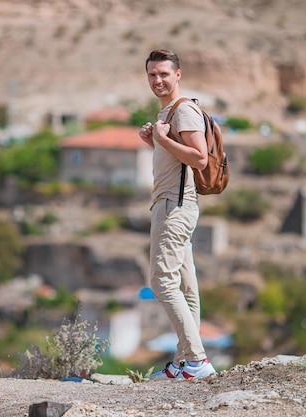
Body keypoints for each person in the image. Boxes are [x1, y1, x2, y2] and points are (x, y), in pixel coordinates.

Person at [138, 49, 216, 380]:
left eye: (164, 74)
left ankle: (196, 361)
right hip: (174, 205)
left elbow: (199, 159)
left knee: (161, 281)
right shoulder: (168, 112)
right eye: (152, 75)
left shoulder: (184, 112)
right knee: (185, 287)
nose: (158, 80)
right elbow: (176, 159)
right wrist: (153, 141)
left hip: (174, 207)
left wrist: (162, 140)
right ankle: (184, 364)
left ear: (178, 75)